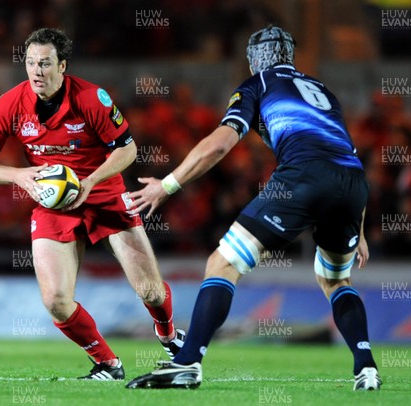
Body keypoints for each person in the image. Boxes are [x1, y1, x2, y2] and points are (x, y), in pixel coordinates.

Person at [126, 25, 381, 391]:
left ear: (256, 58)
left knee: (223, 262)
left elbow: (219, 145)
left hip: (302, 177)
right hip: (353, 187)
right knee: (336, 279)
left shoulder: (257, 85)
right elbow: (347, 156)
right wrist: (357, 228)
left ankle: (187, 362)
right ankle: (366, 367)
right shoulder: (323, 92)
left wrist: (167, 186)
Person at [0, 28, 185, 380]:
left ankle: (169, 336)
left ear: (62, 65)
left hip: (104, 192)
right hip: (54, 204)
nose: (37, 71)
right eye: (31, 63)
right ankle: (107, 363)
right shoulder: (9, 104)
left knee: (150, 290)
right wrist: (19, 176)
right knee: (55, 300)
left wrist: (91, 181)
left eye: (45, 63)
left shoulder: (92, 98)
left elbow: (127, 149)